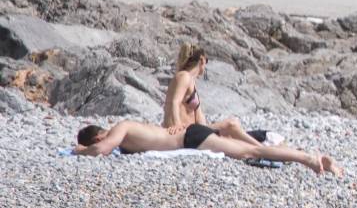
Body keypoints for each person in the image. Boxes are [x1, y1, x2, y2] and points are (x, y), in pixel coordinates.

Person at [73, 120, 341, 175]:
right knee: (250, 149)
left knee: (252, 151)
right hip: (190, 136)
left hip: (190, 138)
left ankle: (307, 159)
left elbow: (103, 150)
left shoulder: (121, 128)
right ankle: (306, 156)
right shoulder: (127, 129)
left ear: (97, 136)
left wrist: (79, 152)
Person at [161, 43, 268, 149]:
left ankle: (260, 148)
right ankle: (263, 149)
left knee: (230, 132)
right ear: (202, 60)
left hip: (195, 131)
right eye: (206, 61)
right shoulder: (184, 76)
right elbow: (175, 101)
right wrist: (177, 124)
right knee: (231, 124)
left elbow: (199, 118)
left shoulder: (191, 82)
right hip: (185, 132)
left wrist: (211, 132)